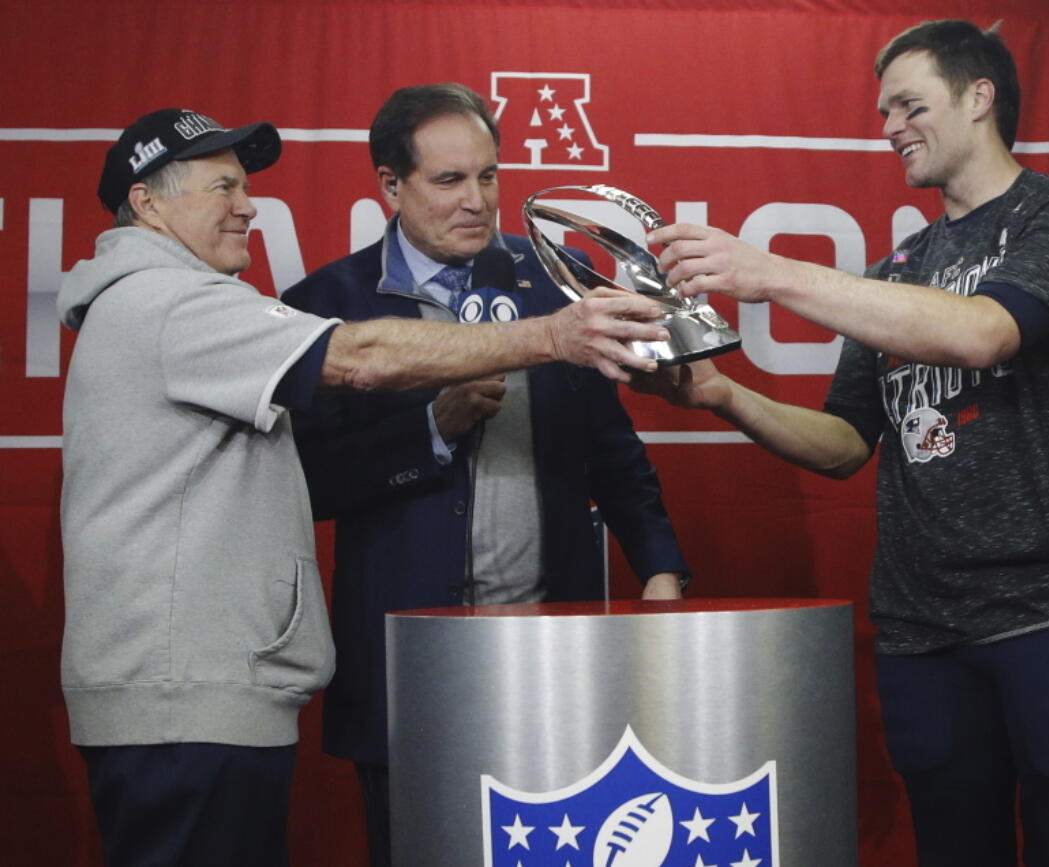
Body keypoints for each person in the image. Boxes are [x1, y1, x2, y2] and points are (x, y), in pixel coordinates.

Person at [58, 107, 669, 867]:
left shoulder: (171, 301)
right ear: (148, 204)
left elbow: (612, 453)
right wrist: (549, 339)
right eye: (223, 187)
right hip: (190, 699)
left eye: (487, 175)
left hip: (210, 697)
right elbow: (360, 357)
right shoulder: (171, 302)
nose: (247, 205)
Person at [636, 20, 1049, 866]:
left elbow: (986, 332)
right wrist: (721, 393)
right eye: (883, 112)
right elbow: (846, 442)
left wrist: (767, 271)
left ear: (980, 96)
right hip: (922, 631)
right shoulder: (893, 271)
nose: (889, 128)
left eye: (909, 105)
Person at [281, 83, 689, 866]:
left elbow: (614, 447)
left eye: (489, 176)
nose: (477, 201)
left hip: (554, 657)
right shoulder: (328, 306)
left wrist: (661, 567)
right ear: (390, 186)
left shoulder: (554, 284)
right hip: (411, 667)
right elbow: (308, 481)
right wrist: (430, 430)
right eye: (449, 181)